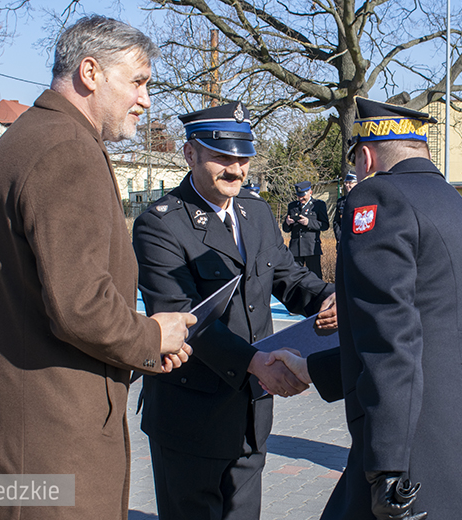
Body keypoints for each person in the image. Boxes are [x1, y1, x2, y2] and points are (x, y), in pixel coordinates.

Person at [0, 16, 195, 520]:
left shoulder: (31, 136)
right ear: (90, 72)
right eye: (139, 82)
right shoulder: (66, 149)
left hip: (19, 433)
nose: (146, 101)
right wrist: (151, 336)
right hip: (49, 441)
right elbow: (80, 304)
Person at [315, 97, 462, 519]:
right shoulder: (457, 207)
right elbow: (443, 327)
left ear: (365, 156)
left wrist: (386, 467)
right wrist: (313, 370)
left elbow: (390, 339)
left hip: (419, 439)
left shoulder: (378, 196)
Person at [132, 101, 337, 520]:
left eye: (243, 159)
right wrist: (256, 362)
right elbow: (182, 318)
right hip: (191, 414)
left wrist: (330, 298)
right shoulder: (160, 224)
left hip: (251, 410)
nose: (237, 171)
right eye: (223, 158)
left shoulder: (256, 213)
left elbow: (288, 278)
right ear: (191, 154)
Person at [282, 180, 329, 278]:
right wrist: (287, 223)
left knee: (315, 277)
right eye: (298, 195)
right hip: (295, 248)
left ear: (310, 192)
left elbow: (325, 225)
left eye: (303, 195)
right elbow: (286, 229)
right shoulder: (292, 206)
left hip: (311, 248)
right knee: (294, 277)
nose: (300, 198)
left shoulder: (318, 205)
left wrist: (309, 223)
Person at [332, 171, 357, 248]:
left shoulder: (363, 200)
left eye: (350, 183)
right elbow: (336, 222)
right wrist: (340, 237)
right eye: (346, 183)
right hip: (343, 242)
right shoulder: (341, 201)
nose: (347, 185)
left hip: (357, 241)